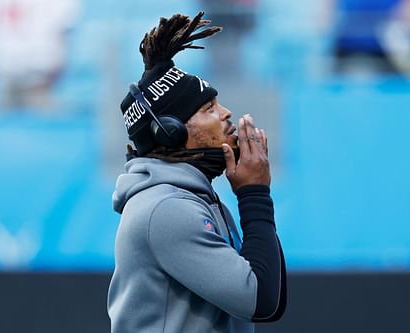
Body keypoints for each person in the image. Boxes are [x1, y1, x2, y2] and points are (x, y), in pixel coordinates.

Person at [107, 12, 286, 333]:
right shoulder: (166, 208)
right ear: (171, 131)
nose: (226, 112)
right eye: (208, 109)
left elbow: (271, 295)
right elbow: (260, 300)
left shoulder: (193, 199)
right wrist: (255, 194)